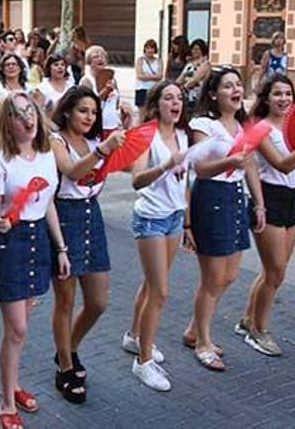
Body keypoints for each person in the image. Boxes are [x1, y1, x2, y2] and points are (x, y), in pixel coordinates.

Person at [0, 92, 69, 428]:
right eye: (19, 115)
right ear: (7, 122)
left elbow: (47, 202)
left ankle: (12, 383)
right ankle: (5, 404)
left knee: (20, 328)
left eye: (30, 111)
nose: (28, 119)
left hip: (38, 240)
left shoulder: (46, 154)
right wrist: (0, 220)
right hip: (11, 244)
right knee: (16, 328)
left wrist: (60, 247)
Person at [235, 75, 295, 355]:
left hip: (291, 203)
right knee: (276, 272)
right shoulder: (260, 128)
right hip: (268, 200)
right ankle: (259, 331)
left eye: (288, 93)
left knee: (273, 272)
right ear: (266, 98)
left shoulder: (293, 127)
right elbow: (284, 165)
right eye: (277, 94)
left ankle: (248, 320)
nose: (284, 99)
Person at [183, 67, 265, 371]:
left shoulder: (244, 126)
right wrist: (230, 160)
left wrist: (259, 203)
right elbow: (200, 168)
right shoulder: (204, 124)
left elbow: (252, 166)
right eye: (227, 85)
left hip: (236, 198)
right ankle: (203, 342)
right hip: (211, 198)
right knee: (212, 277)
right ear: (213, 93)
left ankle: (193, 329)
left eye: (238, 85)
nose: (235, 90)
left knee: (230, 275)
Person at [48, 86, 125, 403]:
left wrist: (127, 135)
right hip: (64, 217)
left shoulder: (96, 140)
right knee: (65, 300)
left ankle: (69, 346)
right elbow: (70, 170)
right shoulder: (57, 141)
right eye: (83, 110)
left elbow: (120, 166)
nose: (89, 117)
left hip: (92, 215)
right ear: (67, 111)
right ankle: (65, 367)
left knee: (98, 301)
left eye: (93, 112)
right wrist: (102, 152)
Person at [122, 80, 189, 391]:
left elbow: (185, 180)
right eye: (168, 98)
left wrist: (187, 220)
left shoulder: (183, 135)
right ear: (156, 103)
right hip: (150, 218)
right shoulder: (147, 135)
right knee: (160, 292)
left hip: (174, 217)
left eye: (179, 98)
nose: (175, 103)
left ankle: (134, 337)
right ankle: (143, 361)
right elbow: (136, 180)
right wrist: (164, 165)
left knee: (152, 284)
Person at [81, 45, 125, 140]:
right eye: (95, 57)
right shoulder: (87, 81)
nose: (100, 58)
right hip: (96, 127)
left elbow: (116, 103)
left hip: (113, 126)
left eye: (102, 56)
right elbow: (87, 104)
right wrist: (105, 91)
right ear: (89, 61)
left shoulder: (112, 79)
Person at [31, 52, 74, 117]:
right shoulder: (42, 89)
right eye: (56, 65)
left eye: (62, 65)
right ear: (49, 68)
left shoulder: (71, 86)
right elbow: (36, 114)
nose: (60, 67)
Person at [177, 39, 211, 114]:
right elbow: (180, 78)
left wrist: (184, 88)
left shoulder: (205, 64)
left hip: (197, 96)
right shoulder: (189, 64)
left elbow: (195, 79)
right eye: (193, 49)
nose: (194, 51)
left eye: (197, 49)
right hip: (186, 95)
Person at [133, 39, 163, 108]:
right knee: (142, 112)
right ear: (145, 49)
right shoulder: (140, 60)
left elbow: (160, 76)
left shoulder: (159, 61)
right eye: (148, 48)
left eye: (152, 48)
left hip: (154, 89)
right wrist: (153, 76)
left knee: (153, 111)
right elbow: (140, 76)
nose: (150, 50)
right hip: (142, 89)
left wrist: (146, 76)